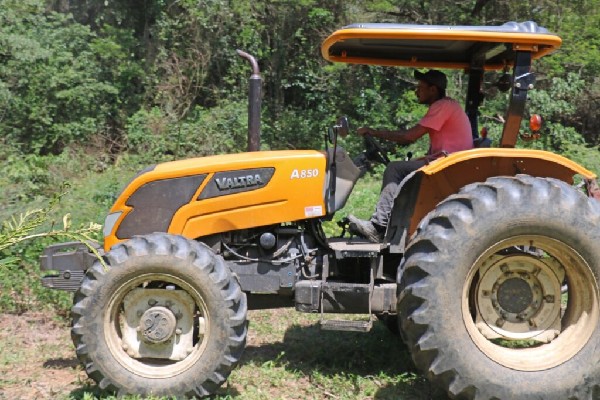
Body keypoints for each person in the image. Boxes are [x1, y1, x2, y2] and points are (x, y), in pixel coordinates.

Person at [348, 69, 473, 242]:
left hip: (450, 165)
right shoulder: (448, 106)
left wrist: (373, 132)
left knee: (394, 169)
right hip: (448, 162)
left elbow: (409, 136)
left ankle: (378, 227)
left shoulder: (443, 106)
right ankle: (394, 227)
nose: (416, 91)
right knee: (405, 167)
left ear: (433, 89)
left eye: (420, 87)